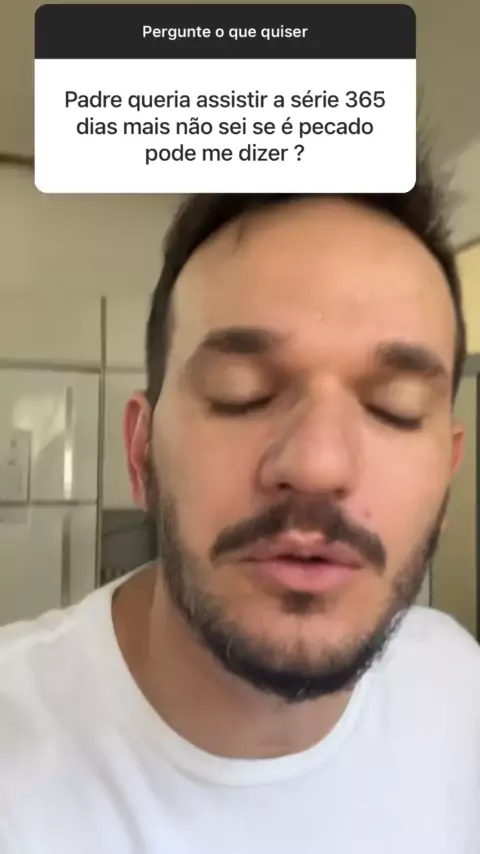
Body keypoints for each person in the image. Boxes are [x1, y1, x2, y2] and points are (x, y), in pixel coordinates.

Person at [1, 164, 479, 854]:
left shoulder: (460, 688)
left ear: (447, 477)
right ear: (141, 453)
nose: (317, 464)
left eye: (393, 408)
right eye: (241, 391)